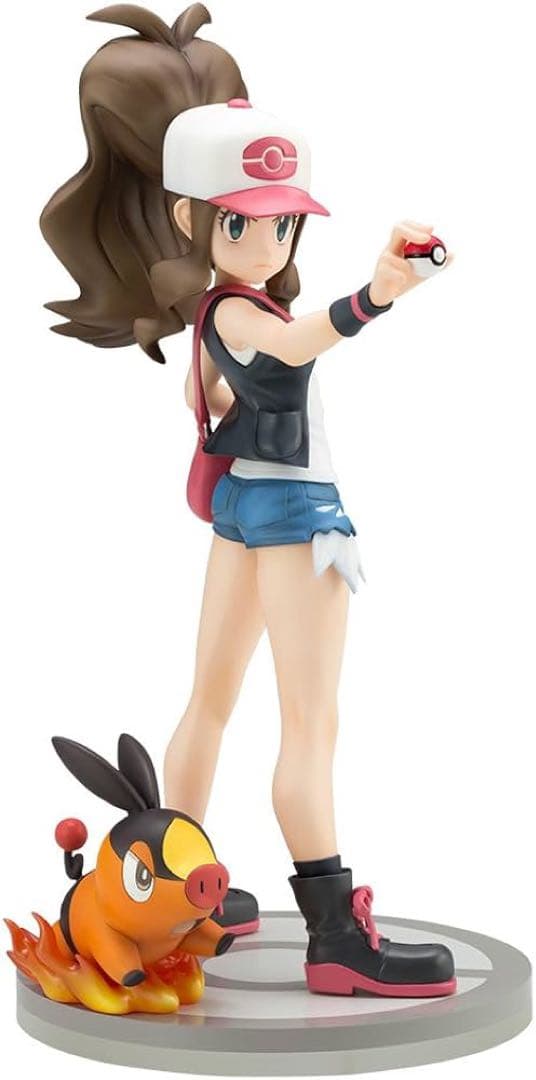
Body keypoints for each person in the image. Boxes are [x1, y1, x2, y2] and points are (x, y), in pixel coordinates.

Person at [41, 3, 456, 997]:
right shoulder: (241, 312)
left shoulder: (212, 311)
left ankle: (178, 895)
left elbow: (215, 398)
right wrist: (378, 292)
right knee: (308, 725)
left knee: (211, 702)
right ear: (193, 220)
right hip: (295, 520)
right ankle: (335, 937)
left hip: (240, 516)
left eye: (280, 222)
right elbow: (294, 344)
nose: (266, 240)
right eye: (241, 221)